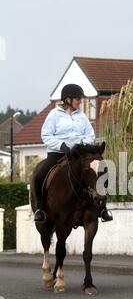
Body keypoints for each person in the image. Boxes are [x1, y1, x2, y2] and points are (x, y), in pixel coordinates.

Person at [33, 83, 113, 223]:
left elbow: (90, 135)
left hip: (78, 154)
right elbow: (46, 135)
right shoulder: (54, 114)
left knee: (100, 171)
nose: (80, 101)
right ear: (67, 99)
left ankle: (102, 208)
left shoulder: (81, 116)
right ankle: (40, 209)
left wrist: (81, 145)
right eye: (77, 98)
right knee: (39, 176)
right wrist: (61, 146)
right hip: (58, 154)